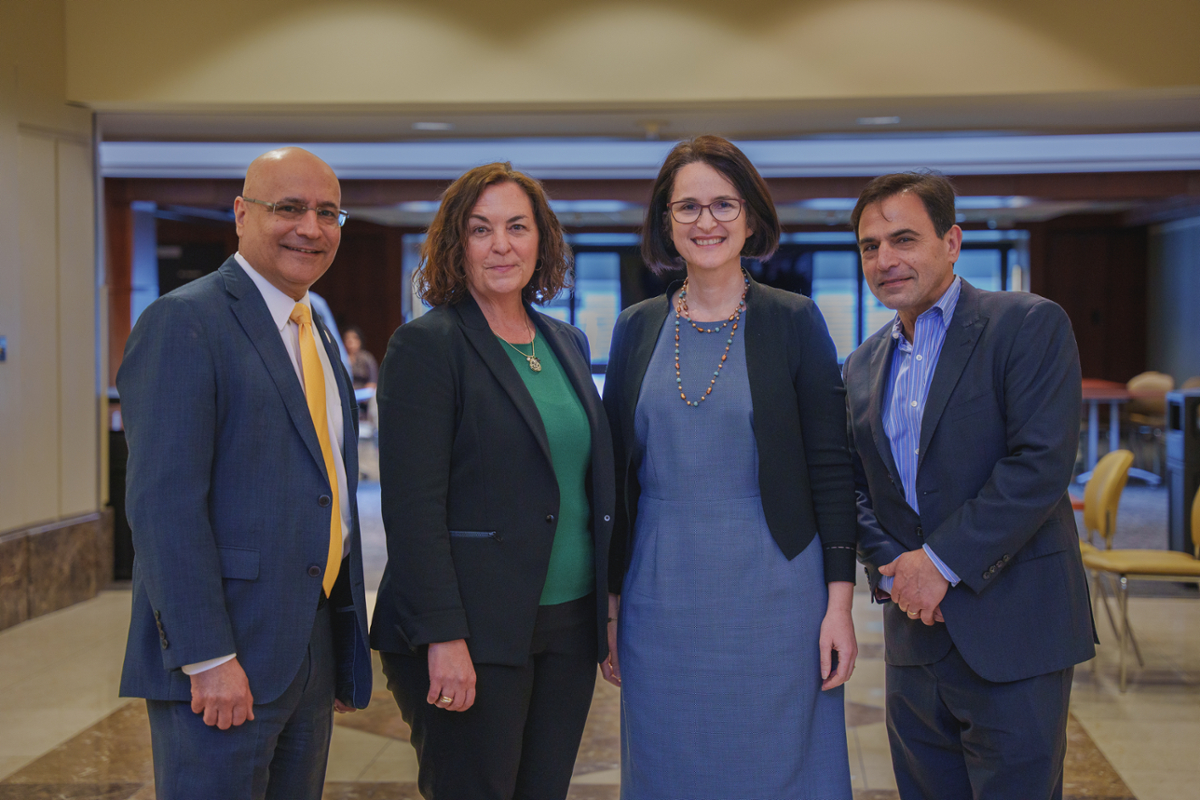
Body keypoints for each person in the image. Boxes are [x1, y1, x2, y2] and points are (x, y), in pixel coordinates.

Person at [603, 135, 858, 798]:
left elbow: (832, 468)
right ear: (666, 222)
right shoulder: (634, 328)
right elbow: (616, 482)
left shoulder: (794, 321)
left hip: (779, 591)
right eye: (687, 207)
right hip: (659, 594)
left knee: (781, 766)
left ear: (751, 218)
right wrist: (609, 604)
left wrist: (839, 603)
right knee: (669, 764)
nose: (706, 222)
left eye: (723, 205)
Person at [116, 146, 373, 800]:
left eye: (326, 212)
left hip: (307, 649)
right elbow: (164, 508)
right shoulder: (185, 321)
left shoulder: (313, 326)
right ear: (240, 213)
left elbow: (325, 492)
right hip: (223, 659)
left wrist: (338, 651)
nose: (310, 228)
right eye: (288, 208)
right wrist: (207, 659)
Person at [844, 171, 1096, 799]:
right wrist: (897, 569)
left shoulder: (1027, 325)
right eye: (870, 246)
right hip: (913, 637)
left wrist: (940, 562)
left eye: (904, 239)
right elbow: (853, 487)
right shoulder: (860, 364)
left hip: (1015, 632)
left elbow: (1039, 465)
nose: (886, 260)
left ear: (951, 241)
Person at [370, 162, 615, 800]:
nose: (501, 245)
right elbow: (412, 508)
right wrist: (444, 638)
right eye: (481, 230)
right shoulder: (427, 346)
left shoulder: (565, 341)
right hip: (472, 631)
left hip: (567, 624)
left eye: (516, 227)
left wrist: (608, 607)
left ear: (542, 241)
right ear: (457, 244)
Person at [342, 326, 378, 390]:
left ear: (360, 341)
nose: (350, 341)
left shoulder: (366, 357)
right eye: (347, 338)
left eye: (354, 338)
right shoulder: (341, 359)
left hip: (365, 392)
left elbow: (373, 381)